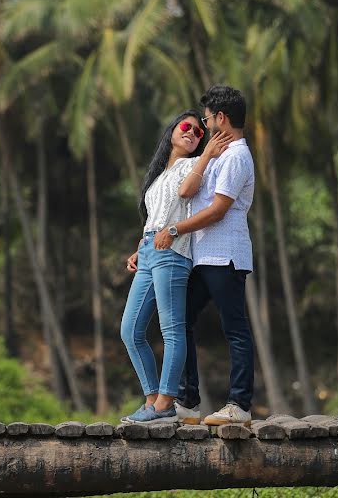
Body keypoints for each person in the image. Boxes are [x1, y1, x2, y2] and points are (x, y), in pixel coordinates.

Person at [152, 85, 256, 427]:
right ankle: (188, 400)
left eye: (208, 118)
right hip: (204, 256)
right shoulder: (217, 155)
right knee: (180, 319)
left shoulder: (237, 156)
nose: (205, 124)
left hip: (224, 256)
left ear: (221, 118)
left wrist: (177, 229)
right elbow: (187, 191)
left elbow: (218, 211)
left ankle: (239, 404)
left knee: (235, 328)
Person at [120, 110, 232, 425]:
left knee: (171, 330)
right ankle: (152, 399)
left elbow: (186, 194)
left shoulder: (192, 166)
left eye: (199, 132)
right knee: (130, 330)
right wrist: (139, 248)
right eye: (187, 126)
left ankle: (166, 402)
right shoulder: (158, 174)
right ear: (172, 130)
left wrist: (207, 153)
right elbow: (155, 216)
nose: (193, 133)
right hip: (150, 249)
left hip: (174, 250)